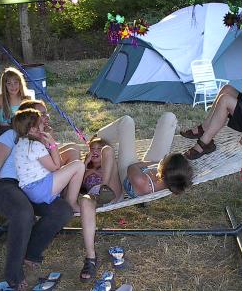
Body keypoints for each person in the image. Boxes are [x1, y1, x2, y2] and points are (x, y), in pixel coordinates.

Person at [79, 113, 193, 282]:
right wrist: (157, 165)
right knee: (169, 117)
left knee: (127, 122)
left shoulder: (141, 182)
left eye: (165, 160)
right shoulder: (171, 177)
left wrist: (147, 164)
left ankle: (99, 137)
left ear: (163, 168)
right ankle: (162, 133)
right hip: (153, 172)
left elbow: (133, 166)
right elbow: (163, 169)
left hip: (130, 174)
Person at [0, 100, 73, 290]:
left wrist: (51, 143)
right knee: (23, 213)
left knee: (63, 210)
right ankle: (13, 273)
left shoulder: (41, 137)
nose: (44, 118)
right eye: (40, 114)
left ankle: (31, 252)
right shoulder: (11, 136)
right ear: (27, 120)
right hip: (8, 186)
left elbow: (53, 166)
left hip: (33, 186)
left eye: (44, 114)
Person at [13, 108, 84, 213]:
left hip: (30, 190)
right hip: (39, 189)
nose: (44, 125)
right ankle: (71, 202)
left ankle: (69, 197)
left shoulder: (21, 143)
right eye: (41, 123)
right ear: (32, 129)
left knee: (69, 168)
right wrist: (53, 144)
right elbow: (56, 166)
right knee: (78, 166)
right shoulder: (35, 145)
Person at [31, 99, 80, 165]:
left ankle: (72, 171)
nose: (47, 117)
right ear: (31, 118)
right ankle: (71, 172)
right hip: (46, 169)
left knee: (74, 146)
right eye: (42, 114)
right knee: (72, 153)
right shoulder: (33, 135)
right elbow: (58, 163)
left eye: (46, 113)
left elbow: (53, 151)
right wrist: (49, 141)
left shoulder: (43, 130)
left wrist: (51, 141)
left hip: (50, 158)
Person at [0, 67, 31, 141]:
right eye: (9, 83)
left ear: (20, 83)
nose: (13, 86)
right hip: (5, 135)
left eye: (15, 83)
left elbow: (32, 121)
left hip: (23, 135)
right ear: (4, 85)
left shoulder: (26, 99)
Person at [81, 136, 123, 203]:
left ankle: (104, 188)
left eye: (99, 149)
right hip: (95, 197)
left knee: (107, 149)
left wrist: (93, 172)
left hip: (112, 193)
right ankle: (103, 191)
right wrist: (86, 163)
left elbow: (113, 177)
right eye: (92, 149)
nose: (94, 151)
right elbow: (79, 184)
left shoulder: (111, 165)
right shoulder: (85, 168)